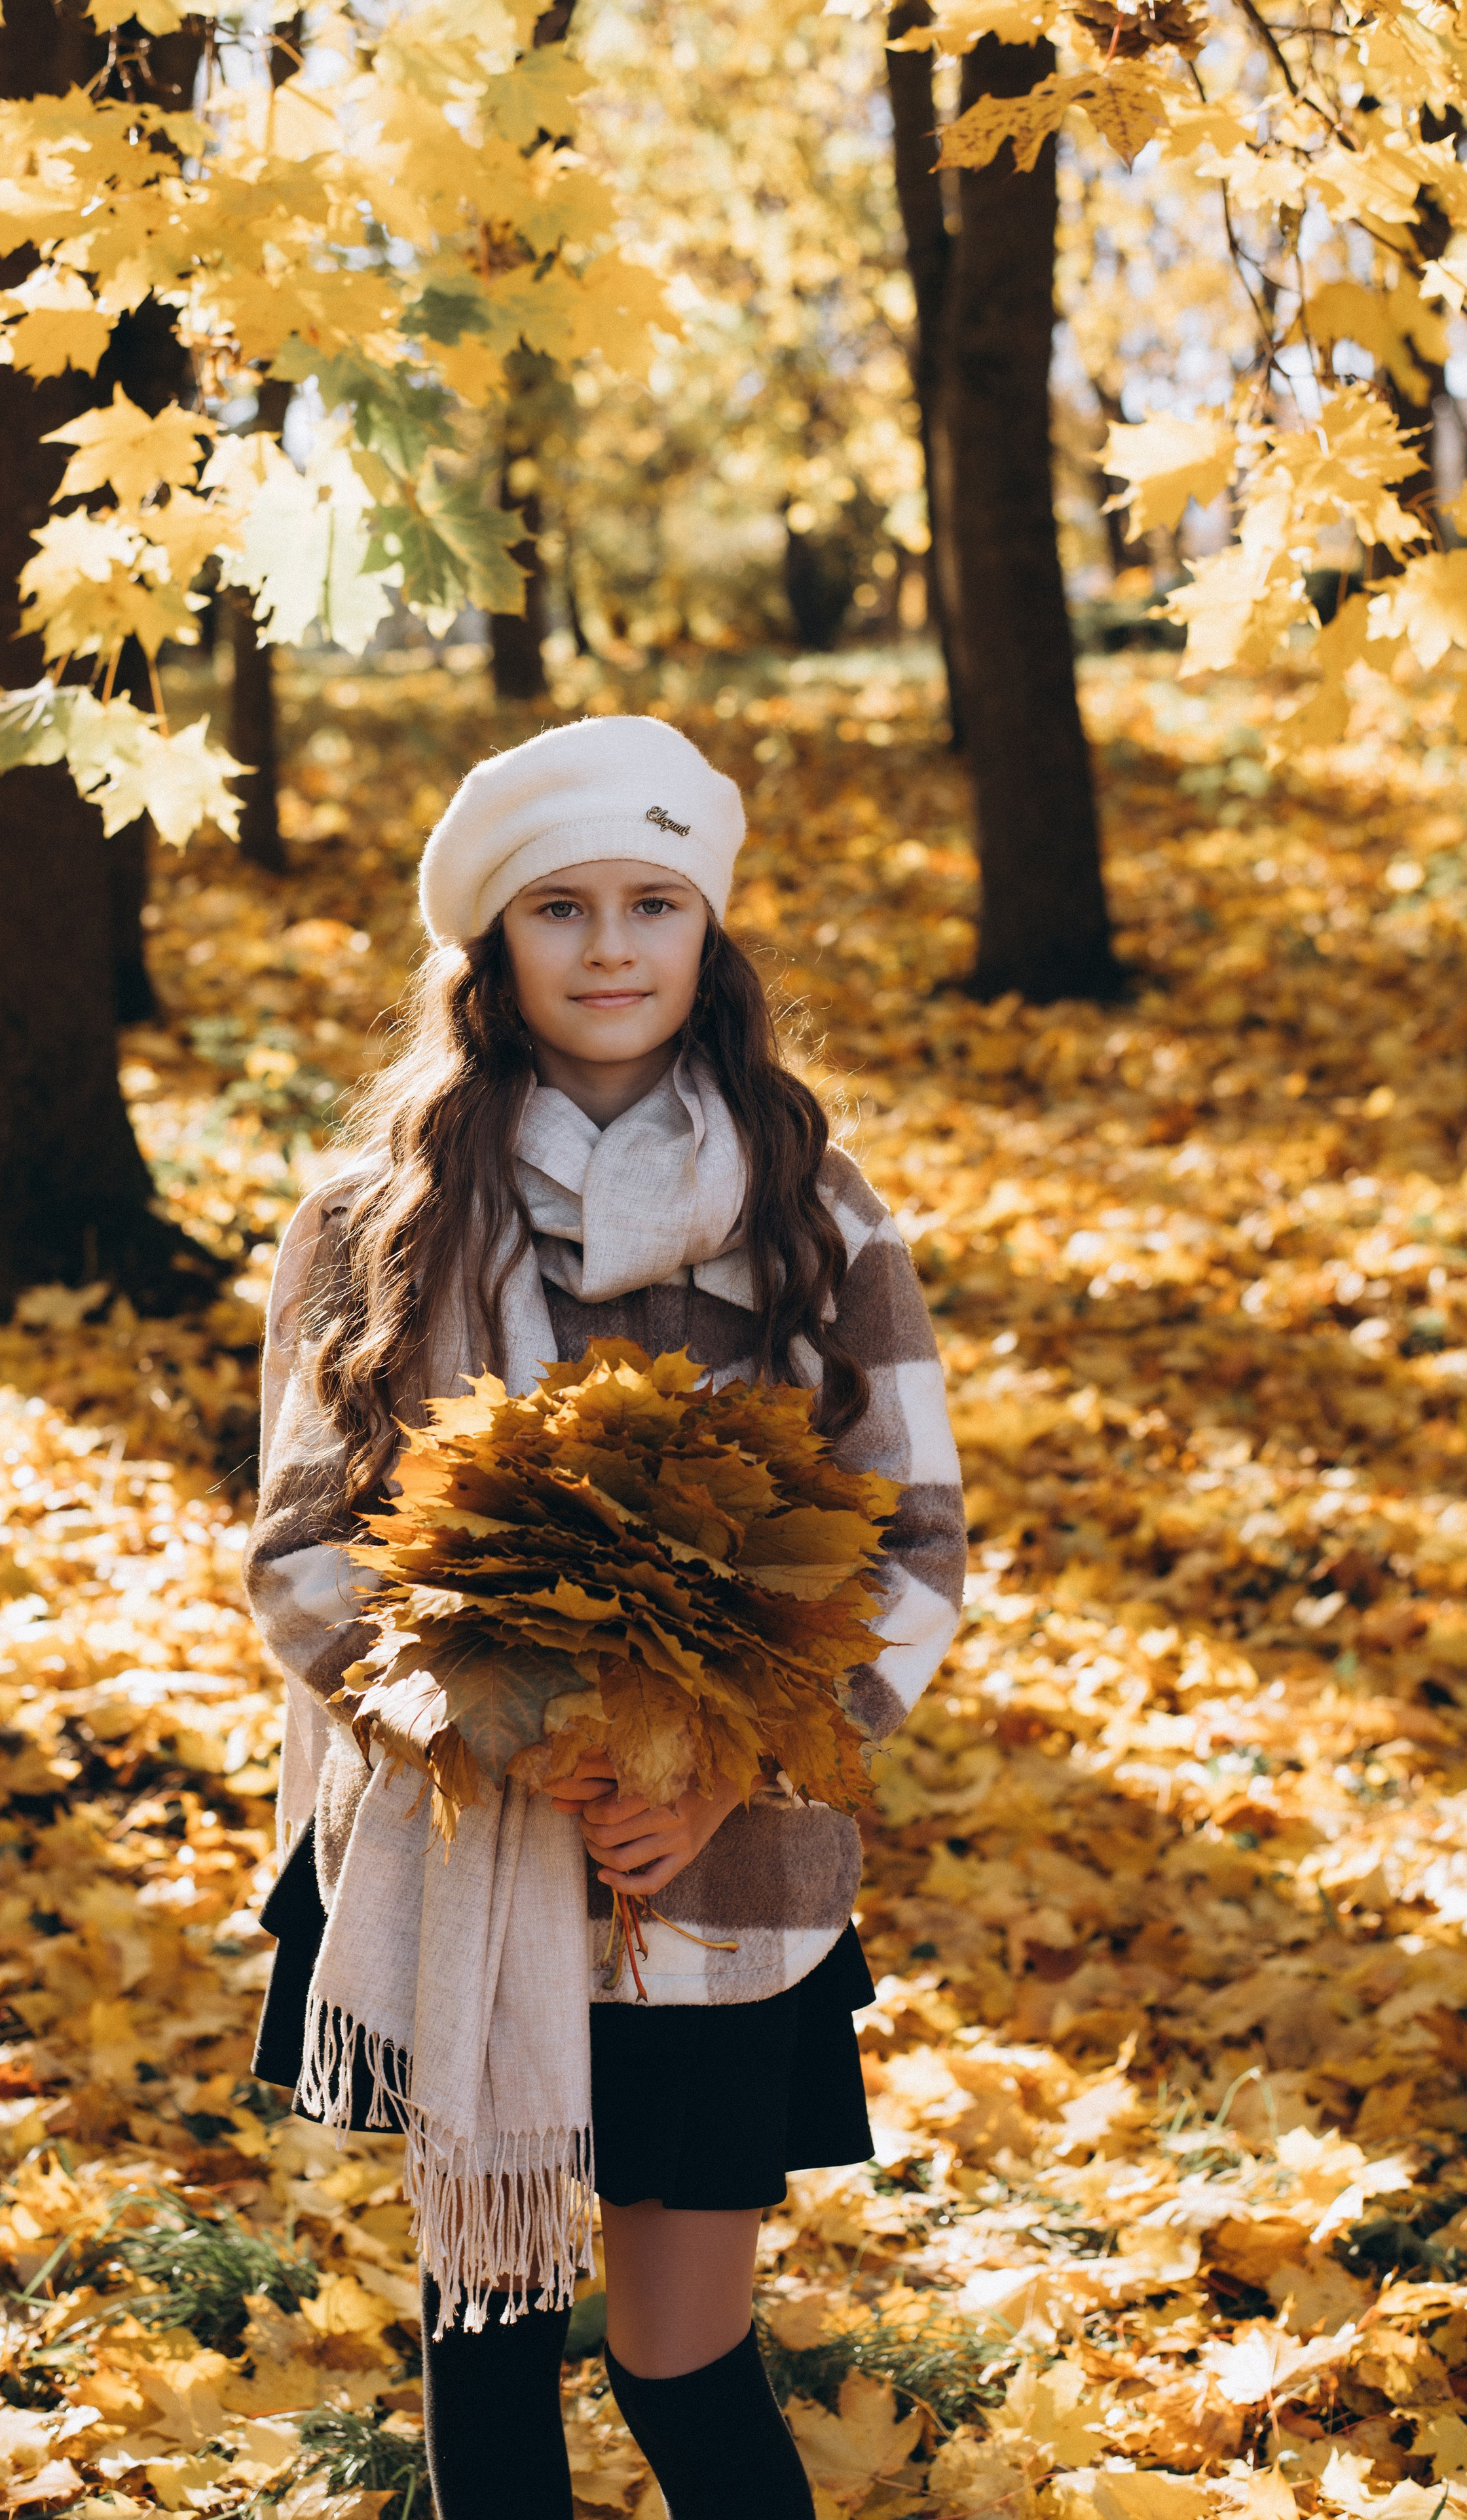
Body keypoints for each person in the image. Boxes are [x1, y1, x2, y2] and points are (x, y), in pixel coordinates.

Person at [242, 714, 964, 2520]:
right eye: (559, 909)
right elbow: (305, 1550)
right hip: (463, 1852)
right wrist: (518, 1734)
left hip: (727, 1874)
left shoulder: (815, 1214)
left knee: (685, 2361)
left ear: (712, 931)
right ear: (492, 947)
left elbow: (915, 1547)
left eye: (654, 902)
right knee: (484, 2346)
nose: (614, 948)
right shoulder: (377, 1219)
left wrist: (720, 1764)